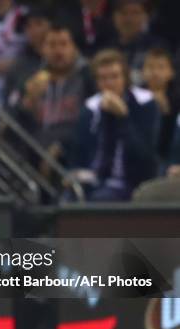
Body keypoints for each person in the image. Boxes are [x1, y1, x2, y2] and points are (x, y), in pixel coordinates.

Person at [70, 49, 159, 202]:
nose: (109, 84)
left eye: (114, 77)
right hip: (93, 180)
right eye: (103, 78)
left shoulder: (145, 103)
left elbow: (146, 158)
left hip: (131, 181)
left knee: (100, 199)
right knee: (65, 199)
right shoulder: (90, 108)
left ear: (125, 78)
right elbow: (79, 152)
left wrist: (123, 118)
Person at [13, 24, 93, 174]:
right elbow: (14, 120)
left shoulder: (87, 77)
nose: (58, 51)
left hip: (73, 149)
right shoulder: (30, 77)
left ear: (74, 48)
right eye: (52, 45)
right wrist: (28, 101)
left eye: (63, 44)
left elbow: (92, 123)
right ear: (43, 49)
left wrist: (62, 146)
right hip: (35, 150)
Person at [142, 48, 179, 165]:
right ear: (142, 71)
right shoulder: (134, 97)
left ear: (171, 72)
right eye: (150, 67)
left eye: (161, 67)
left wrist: (166, 111)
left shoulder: (177, 99)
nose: (155, 72)